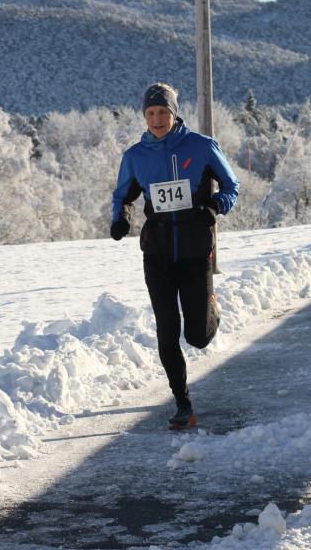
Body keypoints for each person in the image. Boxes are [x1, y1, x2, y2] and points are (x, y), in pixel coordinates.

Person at [110, 82, 240, 429]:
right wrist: (120, 218)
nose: (157, 119)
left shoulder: (201, 147)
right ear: (145, 116)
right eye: (151, 113)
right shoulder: (136, 156)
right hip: (158, 254)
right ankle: (183, 403)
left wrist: (216, 204)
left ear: (174, 113)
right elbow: (122, 196)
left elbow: (232, 186)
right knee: (167, 331)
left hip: (196, 251)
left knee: (197, 336)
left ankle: (211, 307)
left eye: (163, 112)